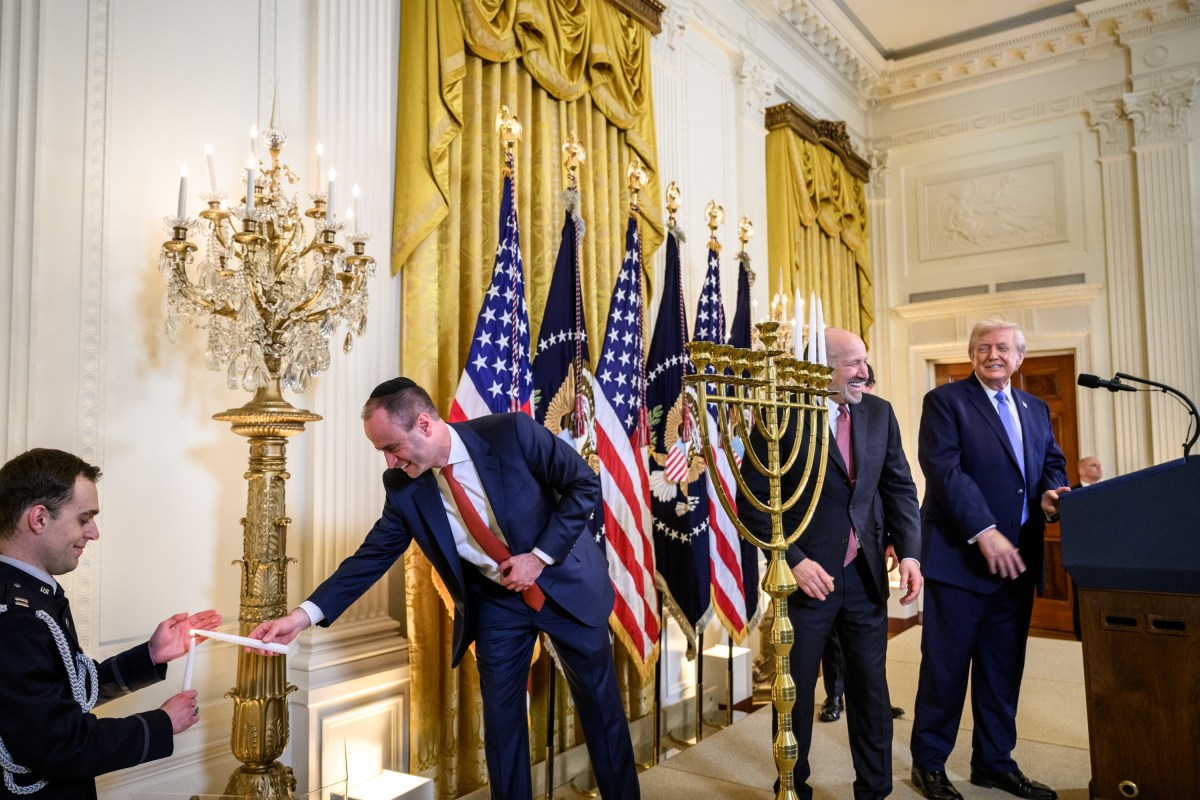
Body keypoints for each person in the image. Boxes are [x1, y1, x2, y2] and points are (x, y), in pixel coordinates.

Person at [249, 378, 639, 800]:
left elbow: (583, 484)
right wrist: (300, 616)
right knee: (502, 726)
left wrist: (539, 557)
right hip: (497, 604)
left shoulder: (512, 433)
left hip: (564, 583)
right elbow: (370, 557)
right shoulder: (403, 487)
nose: (388, 462)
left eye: (391, 447)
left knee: (601, 712)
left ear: (424, 424)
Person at [739, 329, 923, 799]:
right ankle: (792, 787)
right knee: (794, 695)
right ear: (822, 368)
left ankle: (875, 790)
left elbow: (898, 488)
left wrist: (911, 553)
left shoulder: (879, 413)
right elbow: (755, 503)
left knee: (871, 692)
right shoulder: (781, 414)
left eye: (865, 361)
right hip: (805, 581)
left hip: (864, 576)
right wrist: (792, 561)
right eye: (852, 364)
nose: (864, 373)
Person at [0, 448, 220, 799]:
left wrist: (151, 655)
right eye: (84, 518)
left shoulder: (32, 592)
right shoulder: (15, 616)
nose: (94, 532)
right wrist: (162, 723)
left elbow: (67, 691)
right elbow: (60, 747)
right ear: (39, 518)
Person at [909, 320, 1069, 800]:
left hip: (1017, 561)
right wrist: (985, 532)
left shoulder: (1036, 408)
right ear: (971, 355)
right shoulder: (945, 402)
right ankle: (930, 765)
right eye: (982, 347)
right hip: (959, 560)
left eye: (1002, 347)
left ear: (1019, 357)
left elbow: (1051, 462)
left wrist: (1050, 493)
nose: (992, 354)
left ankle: (994, 762)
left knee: (1003, 670)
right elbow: (945, 473)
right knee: (946, 669)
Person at [817, 363, 907, 725]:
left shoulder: (878, 415)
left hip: (866, 554)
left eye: (867, 380)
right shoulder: (805, 413)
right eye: (855, 372)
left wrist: (894, 540)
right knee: (830, 643)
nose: (863, 385)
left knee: (867, 655)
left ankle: (871, 704)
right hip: (820, 560)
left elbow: (887, 490)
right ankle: (833, 695)